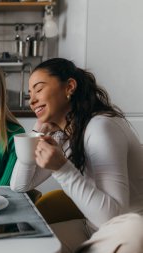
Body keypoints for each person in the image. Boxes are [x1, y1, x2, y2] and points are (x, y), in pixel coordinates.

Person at [10, 58, 143, 253]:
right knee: (20, 246)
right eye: (30, 94)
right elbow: (20, 185)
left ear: (69, 86)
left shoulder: (100, 127)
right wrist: (36, 132)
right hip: (91, 228)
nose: (32, 100)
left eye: (39, 89)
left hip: (125, 238)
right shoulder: (67, 132)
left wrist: (62, 169)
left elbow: (115, 220)